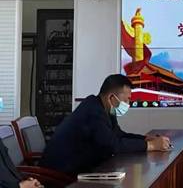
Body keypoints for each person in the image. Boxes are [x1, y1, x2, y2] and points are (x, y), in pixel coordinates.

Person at [40, 74, 171, 176]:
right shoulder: (93, 111)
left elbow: (118, 135)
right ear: (111, 98)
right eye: (126, 100)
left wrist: (144, 139)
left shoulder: (104, 108)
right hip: (62, 174)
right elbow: (112, 145)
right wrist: (152, 146)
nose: (128, 104)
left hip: (81, 168)